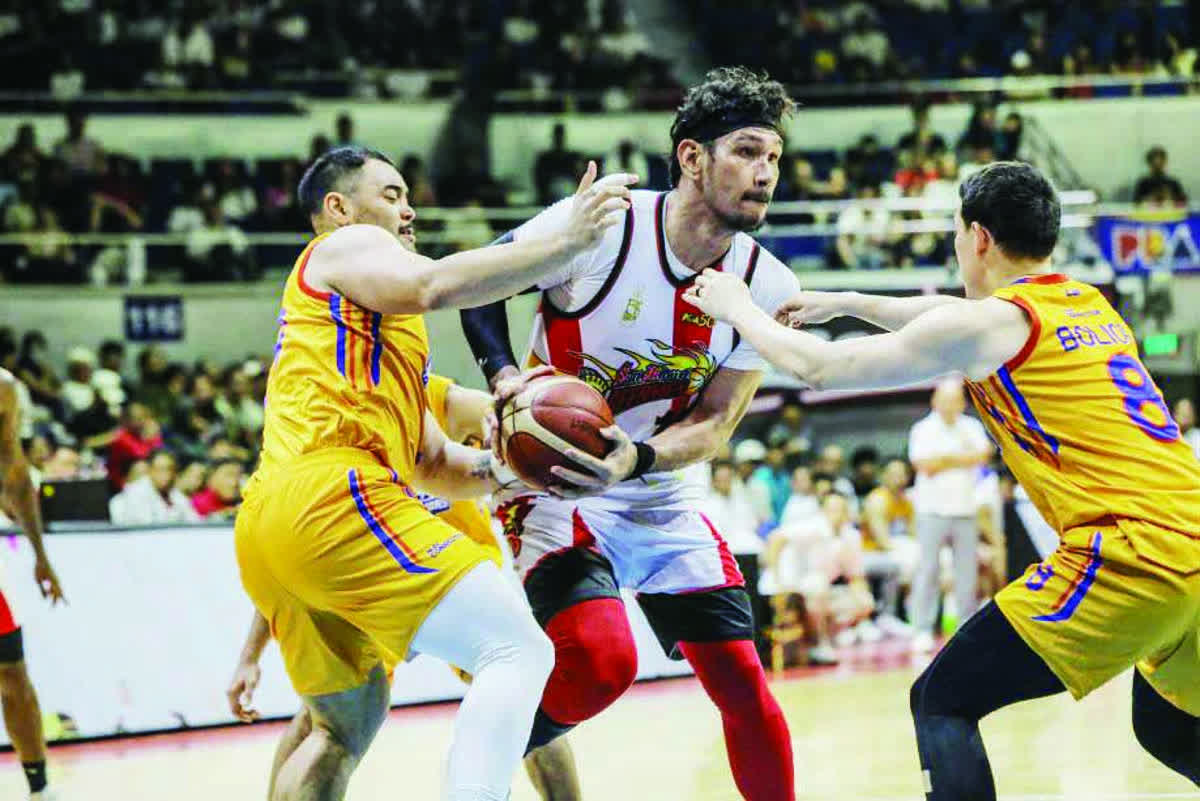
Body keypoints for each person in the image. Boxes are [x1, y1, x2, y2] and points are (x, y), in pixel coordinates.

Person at [682, 160, 1200, 800]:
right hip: (1192, 546)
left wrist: (738, 308)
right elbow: (941, 314)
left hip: (1133, 554)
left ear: (977, 237)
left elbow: (823, 368)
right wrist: (845, 302)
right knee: (1168, 730)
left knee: (942, 699)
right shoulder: (1084, 302)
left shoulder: (996, 323)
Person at [233, 144, 634, 801]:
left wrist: (518, 469)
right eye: (390, 194)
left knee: (341, 727)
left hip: (271, 524)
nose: (409, 208)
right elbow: (436, 283)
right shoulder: (345, 248)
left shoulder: (377, 333)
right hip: (334, 494)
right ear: (339, 208)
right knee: (518, 650)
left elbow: (434, 463)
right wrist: (565, 242)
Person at [462, 67, 798, 801]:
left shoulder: (765, 284)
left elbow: (714, 424)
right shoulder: (601, 226)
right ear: (692, 158)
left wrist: (638, 457)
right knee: (603, 661)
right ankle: (472, 771)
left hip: (657, 488)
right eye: (746, 151)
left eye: (774, 156)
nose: (765, 173)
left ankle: (484, 747)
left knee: (745, 684)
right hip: (557, 486)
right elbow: (477, 286)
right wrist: (502, 377)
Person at [228, 372, 583, 801]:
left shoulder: (405, 397)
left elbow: (501, 411)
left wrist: (542, 410)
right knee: (328, 723)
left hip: (436, 573)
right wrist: (249, 655)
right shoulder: (328, 420)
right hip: (379, 574)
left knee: (333, 725)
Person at [0, 369, 66, 801]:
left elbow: (15, 472)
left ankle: (39, 788)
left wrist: (40, 556)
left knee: (11, 671)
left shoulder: (3, 387)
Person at [906, 378, 992, 652]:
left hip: (965, 509)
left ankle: (964, 626)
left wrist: (944, 459)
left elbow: (984, 455)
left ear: (962, 402)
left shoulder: (972, 426)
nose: (949, 405)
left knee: (966, 571)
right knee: (928, 570)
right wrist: (961, 458)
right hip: (932, 510)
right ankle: (922, 629)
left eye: (955, 400)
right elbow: (923, 464)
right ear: (935, 401)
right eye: (944, 400)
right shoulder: (922, 429)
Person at [109, 449, 199, 525]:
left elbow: (194, 521)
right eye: (161, 469)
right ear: (150, 470)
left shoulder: (174, 493)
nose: (166, 475)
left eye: (170, 469)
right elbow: (147, 527)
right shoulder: (136, 492)